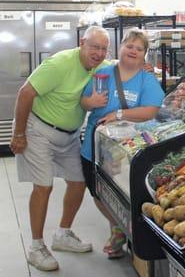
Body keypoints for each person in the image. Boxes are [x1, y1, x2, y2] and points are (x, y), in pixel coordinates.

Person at [10, 26, 111, 271]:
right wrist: (19, 134)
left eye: (103, 48)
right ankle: (36, 247)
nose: (98, 53)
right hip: (38, 128)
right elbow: (25, 94)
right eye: (94, 46)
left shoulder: (101, 65)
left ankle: (63, 235)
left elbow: (125, 67)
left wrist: (146, 67)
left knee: (78, 182)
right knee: (43, 186)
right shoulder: (59, 64)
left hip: (69, 134)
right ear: (82, 42)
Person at [80, 28, 164, 259]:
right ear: (120, 47)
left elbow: (151, 111)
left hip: (128, 148)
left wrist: (118, 114)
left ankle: (126, 232)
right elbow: (84, 103)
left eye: (139, 48)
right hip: (95, 145)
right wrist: (91, 101)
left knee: (124, 193)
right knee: (99, 192)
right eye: (129, 46)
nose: (133, 51)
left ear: (144, 54)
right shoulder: (103, 73)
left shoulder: (147, 78)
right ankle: (117, 227)